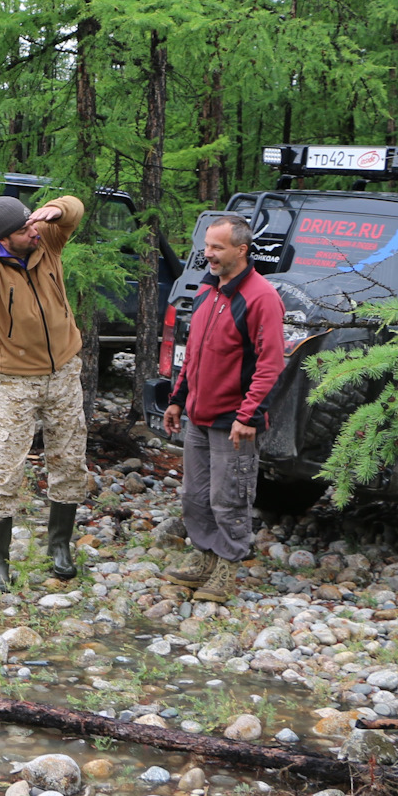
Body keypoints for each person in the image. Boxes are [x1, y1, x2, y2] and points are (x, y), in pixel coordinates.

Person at [0, 193, 94, 591]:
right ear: (5, 238)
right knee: (6, 467)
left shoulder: (47, 238)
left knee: (69, 459)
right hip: (15, 380)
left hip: (63, 370)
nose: (36, 232)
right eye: (26, 230)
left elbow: (75, 209)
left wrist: (58, 208)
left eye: (34, 223)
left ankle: (59, 547)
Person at [161, 214, 285, 603]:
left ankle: (227, 569)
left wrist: (249, 416)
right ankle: (203, 560)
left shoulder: (261, 297)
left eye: (217, 247)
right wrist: (177, 399)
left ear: (241, 250)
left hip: (234, 420)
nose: (208, 254)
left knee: (230, 496)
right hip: (198, 414)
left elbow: (271, 363)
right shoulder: (206, 290)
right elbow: (193, 354)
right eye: (207, 246)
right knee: (196, 496)